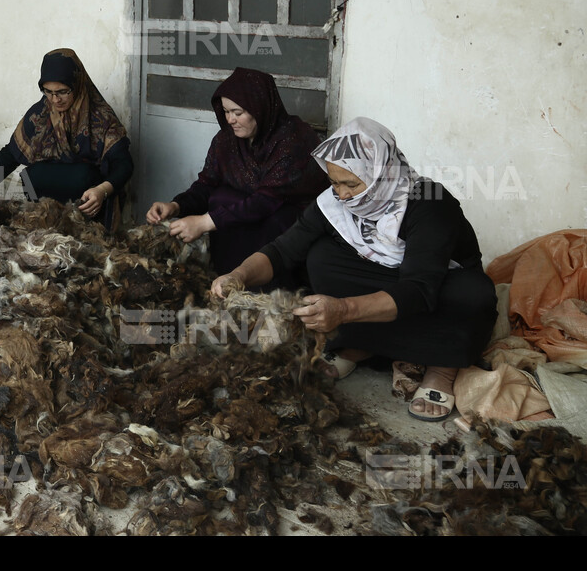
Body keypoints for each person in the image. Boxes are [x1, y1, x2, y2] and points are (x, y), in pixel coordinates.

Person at [211, 118, 498, 422]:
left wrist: (344, 310)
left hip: (430, 288)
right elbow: (282, 250)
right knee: (322, 258)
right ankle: (360, 346)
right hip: (388, 288)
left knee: (472, 293)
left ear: (381, 174)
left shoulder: (427, 201)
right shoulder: (333, 203)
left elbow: (417, 289)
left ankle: (441, 365)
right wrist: (238, 275)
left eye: (352, 184)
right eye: (335, 182)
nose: (343, 194)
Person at [146, 67, 328, 283]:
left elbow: (265, 201)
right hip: (252, 215)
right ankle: (224, 279)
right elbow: (207, 184)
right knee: (220, 198)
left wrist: (205, 222)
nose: (230, 119)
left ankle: (269, 288)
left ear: (260, 108)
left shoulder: (293, 141)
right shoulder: (227, 141)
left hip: (286, 224)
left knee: (276, 217)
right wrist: (176, 206)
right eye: (226, 112)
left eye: (238, 113)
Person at [0, 49, 133, 230]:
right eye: (48, 92)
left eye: (62, 91)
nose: (55, 99)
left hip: (89, 203)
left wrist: (102, 190)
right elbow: (11, 155)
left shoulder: (101, 118)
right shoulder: (40, 115)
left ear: (77, 85)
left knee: (83, 176)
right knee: (32, 175)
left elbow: (124, 164)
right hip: (46, 212)